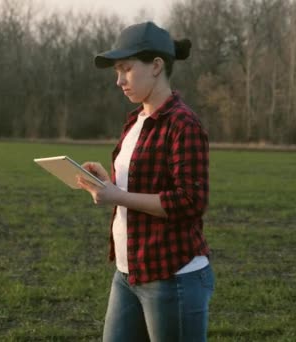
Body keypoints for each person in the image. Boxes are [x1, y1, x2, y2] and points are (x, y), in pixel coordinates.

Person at [77, 21, 214, 342]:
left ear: (156, 66)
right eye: (116, 72)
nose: (119, 80)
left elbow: (190, 202)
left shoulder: (183, 124)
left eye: (125, 69)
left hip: (173, 277)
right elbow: (144, 184)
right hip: (128, 273)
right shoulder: (136, 119)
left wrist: (116, 196)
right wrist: (106, 182)